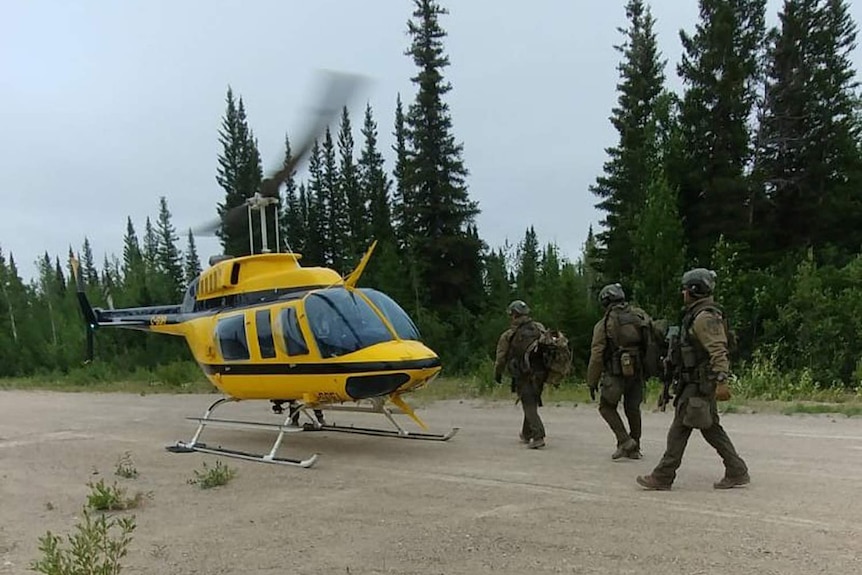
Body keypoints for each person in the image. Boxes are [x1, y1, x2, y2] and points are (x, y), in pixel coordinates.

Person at [637, 268, 750, 491]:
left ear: (695, 290)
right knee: (710, 427)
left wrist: (721, 380)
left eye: (686, 289)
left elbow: (718, 349)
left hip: (700, 383)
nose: (683, 293)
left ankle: (663, 476)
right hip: (696, 382)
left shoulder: (704, 317)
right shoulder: (697, 314)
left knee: (680, 428)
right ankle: (737, 470)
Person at [587, 283, 652, 460]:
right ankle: (635, 447)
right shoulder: (639, 315)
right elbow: (650, 340)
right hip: (637, 370)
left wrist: (591, 380)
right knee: (633, 408)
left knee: (606, 407)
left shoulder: (604, 323)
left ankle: (625, 440)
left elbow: (597, 354)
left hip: (615, 372)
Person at [494, 300, 547, 449]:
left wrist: (497, 373)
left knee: (528, 404)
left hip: (523, 374)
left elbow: (501, 357)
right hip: (541, 373)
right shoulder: (539, 328)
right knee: (530, 401)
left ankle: (538, 436)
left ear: (514, 315)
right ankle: (526, 433)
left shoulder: (509, 335)